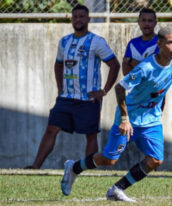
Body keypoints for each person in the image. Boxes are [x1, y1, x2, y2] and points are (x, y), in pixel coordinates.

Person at [60, 26, 172, 202]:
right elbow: (120, 88)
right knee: (109, 159)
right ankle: (74, 168)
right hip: (129, 119)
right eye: (170, 43)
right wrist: (124, 119)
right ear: (160, 44)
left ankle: (117, 189)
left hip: (151, 120)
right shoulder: (145, 67)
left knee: (155, 160)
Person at [26, 5, 120, 169]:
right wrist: (60, 88)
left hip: (88, 99)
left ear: (88, 19)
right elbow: (58, 65)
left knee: (90, 136)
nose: (78, 20)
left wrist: (104, 91)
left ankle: (88, 170)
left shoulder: (96, 41)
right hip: (66, 98)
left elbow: (114, 65)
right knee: (51, 129)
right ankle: (34, 167)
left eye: (82, 16)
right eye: (75, 16)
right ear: (71, 19)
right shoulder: (64, 41)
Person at [122, 8, 159, 76]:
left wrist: (131, 61)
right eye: (143, 20)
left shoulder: (160, 43)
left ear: (155, 23)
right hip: (134, 85)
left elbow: (153, 70)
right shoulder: (132, 43)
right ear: (139, 22)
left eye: (150, 21)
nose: (146, 24)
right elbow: (126, 71)